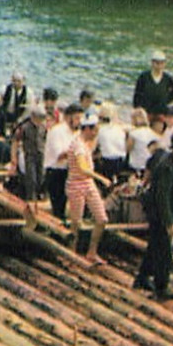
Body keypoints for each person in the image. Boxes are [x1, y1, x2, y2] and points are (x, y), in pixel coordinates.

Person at [134, 131, 173, 300]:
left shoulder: (171, 163)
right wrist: (169, 222)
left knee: (154, 247)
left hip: (161, 214)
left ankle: (142, 277)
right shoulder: (167, 167)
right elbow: (162, 197)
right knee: (163, 252)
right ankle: (162, 286)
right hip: (161, 215)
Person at [65, 113, 108, 265]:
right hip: (76, 184)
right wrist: (101, 178)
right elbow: (83, 167)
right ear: (87, 129)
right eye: (94, 130)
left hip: (88, 184)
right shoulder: (78, 146)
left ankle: (92, 251)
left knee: (101, 219)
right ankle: (71, 253)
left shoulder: (85, 143)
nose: (96, 133)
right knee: (76, 222)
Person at [9, 104, 48, 222]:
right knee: (31, 177)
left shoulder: (43, 128)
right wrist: (13, 158)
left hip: (40, 154)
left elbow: (45, 141)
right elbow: (15, 142)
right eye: (38, 117)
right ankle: (30, 201)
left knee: (40, 176)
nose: (40, 120)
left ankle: (38, 198)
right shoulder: (25, 127)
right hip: (29, 154)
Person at [43, 103, 82, 221]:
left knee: (69, 203)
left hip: (70, 171)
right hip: (55, 171)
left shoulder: (77, 133)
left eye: (80, 118)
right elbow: (59, 155)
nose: (79, 122)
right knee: (58, 205)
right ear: (67, 117)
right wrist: (77, 153)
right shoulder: (56, 131)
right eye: (77, 118)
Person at [132, 49, 173, 120]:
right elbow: (137, 94)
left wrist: (166, 100)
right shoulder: (144, 77)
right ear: (152, 63)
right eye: (157, 63)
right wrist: (138, 109)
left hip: (161, 112)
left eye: (161, 63)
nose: (159, 66)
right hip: (146, 111)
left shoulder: (167, 78)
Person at [95, 103, 129, 180]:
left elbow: (94, 146)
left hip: (107, 161)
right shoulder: (119, 128)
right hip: (121, 160)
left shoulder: (99, 130)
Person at [126, 107, 158, 174]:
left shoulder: (133, 134)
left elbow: (127, 149)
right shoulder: (154, 134)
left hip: (136, 165)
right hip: (148, 166)